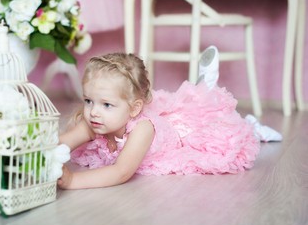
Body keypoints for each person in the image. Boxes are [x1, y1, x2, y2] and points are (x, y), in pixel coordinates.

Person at [57, 47, 282, 190]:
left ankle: (251, 126)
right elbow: (62, 142)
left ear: (134, 109)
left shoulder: (142, 129)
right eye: (88, 101)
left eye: (106, 104)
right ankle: (204, 85)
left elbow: (121, 171)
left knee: (220, 130)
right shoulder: (95, 121)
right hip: (161, 120)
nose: (94, 111)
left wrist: (73, 181)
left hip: (182, 134)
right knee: (190, 105)